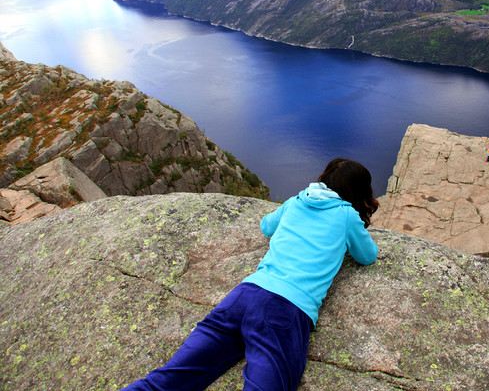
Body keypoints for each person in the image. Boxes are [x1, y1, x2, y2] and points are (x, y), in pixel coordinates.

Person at [122, 158, 380, 391]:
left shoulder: (296, 201)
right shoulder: (346, 215)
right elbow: (367, 256)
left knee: (168, 380)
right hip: (285, 311)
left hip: (244, 296)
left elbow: (266, 226)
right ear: (358, 193)